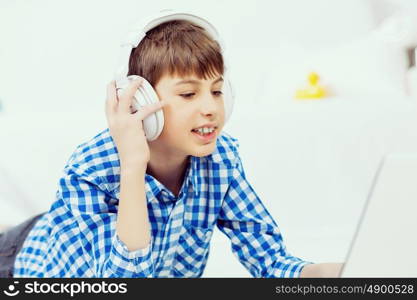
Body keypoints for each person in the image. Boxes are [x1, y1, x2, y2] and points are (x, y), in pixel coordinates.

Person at [2, 11, 343, 278]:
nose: (210, 107)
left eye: (217, 91)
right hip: (20, 261)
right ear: (141, 101)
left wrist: (321, 273)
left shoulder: (220, 159)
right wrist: (133, 167)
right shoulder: (90, 169)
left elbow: (270, 261)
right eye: (188, 94)